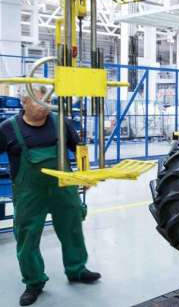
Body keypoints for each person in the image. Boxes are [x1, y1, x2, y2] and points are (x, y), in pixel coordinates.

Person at [0, 88, 100, 306]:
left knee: (72, 228)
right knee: (27, 236)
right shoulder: (8, 129)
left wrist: (85, 175)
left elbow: (79, 148)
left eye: (47, 101)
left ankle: (77, 269)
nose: (45, 105)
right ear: (24, 102)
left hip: (63, 188)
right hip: (29, 193)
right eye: (38, 101)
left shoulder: (59, 122)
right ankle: (34, 282)